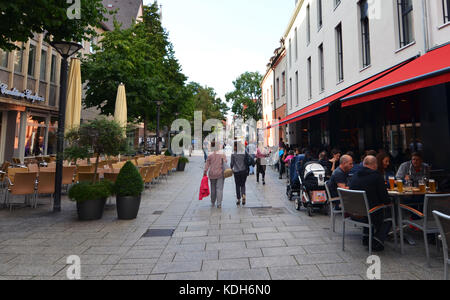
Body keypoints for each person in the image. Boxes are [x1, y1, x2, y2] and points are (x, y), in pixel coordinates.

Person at [348, 156, 392, 252]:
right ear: (375, 165)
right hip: (369, 214)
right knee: (390, 212)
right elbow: (385, 199)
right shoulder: (376, 176)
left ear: (364, 164)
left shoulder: (355, 175)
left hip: (354, 213)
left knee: (369, 206)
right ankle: (377, 240)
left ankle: (366, 238)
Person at [204, 140, 227, 209]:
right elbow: (225, 162)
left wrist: (205, 172)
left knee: (213, 188)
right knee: (219, 189)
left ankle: (213, 202)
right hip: (220, 173)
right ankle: (219, 203)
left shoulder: (210, 154)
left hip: (212, 174)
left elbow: (207, 165)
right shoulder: (222, 154)